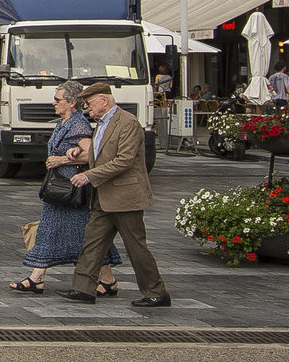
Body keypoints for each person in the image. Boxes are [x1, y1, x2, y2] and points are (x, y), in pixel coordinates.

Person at [58, 83, 170, 307]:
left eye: (89, 103)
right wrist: (79, 152)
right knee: (92, 242)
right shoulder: (102, 123)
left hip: (126, 197)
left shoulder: (128, 123)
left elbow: (124, 161)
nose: (87, 108)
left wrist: (89, 176)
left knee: (136, 246)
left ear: (104, 101)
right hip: (104, 196)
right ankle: (83, 289)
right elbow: (101, 153)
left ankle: (156, 293)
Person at [11, 81, 120, 296]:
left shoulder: (78, 123)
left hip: (71, 189)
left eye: (58, 100)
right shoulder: (64, 122)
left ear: (72, 103)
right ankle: (106, 280)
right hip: (62, 188)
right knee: (66, 232)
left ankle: (38, 278)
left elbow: (91, 154)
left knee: (76, 234)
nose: (54, 103)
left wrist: (61, 160)